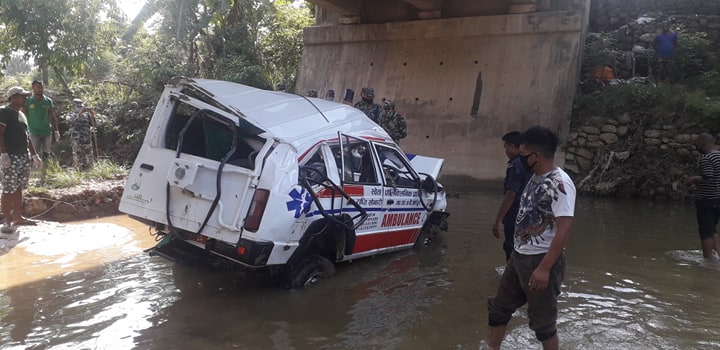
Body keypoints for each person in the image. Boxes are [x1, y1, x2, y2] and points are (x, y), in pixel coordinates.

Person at [486, 126, 576, 350]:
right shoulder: (534, 178)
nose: (519, 159)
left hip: (541, 260)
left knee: (543, 325)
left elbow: (564, 230)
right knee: (498, 310)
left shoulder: (560, 184)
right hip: (518, 257)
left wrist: (545, 268)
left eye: (523, 155)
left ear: (535, 156)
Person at [0, 87, 43, 233]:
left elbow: (27, 136)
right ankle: (6, 219)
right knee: (8, 189)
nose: (25, 99)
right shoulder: (4, 112)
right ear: (13, 97)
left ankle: (18, 217)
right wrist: (3, 153)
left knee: (19, 188)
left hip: (23, 156)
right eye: (22, 96)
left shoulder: (22, 114)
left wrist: (34, 155)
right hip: (11, 156)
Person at [492, 131, 532, 262]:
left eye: (506, 146)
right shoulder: (529, 163)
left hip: (515, 213)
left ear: (513, 146)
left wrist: (499, 220)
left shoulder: (516, 165)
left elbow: (511, 194)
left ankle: (512, 276)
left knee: (511, 246)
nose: (505, 150)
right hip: (528, 213)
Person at [684, 132, 720, 260]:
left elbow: (708, 177)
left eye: (697, 144)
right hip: (718, 199)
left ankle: (708, 261)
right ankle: (718, 257)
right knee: (713, 229)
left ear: (702, 144)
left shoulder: (707, 158)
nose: (696, 147)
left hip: (707, 200)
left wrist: (692, 179)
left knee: (706, 232)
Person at [22, 80, 59, 183]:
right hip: (33, 131)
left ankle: (44, 175)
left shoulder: (48, 101)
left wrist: (56, 130)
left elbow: (52, 116)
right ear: (33, 88)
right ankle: (34, 176)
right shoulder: (29, 101)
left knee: (46, 153)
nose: (40, 88)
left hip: (46, 131)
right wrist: (23, 129)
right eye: (37, 87)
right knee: (34, 153)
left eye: (41, 86)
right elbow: (23, 115)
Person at [67, 98, 97, 170]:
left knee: (89, 155)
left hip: (87, 138)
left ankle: (90, 169)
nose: (80, 109)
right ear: (73, 106)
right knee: (78, 155)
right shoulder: (71, 114)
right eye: (78, 107)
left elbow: (94, 125)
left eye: (81, 107)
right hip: (77, 139)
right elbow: (70, 122)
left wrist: (92, 115)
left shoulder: (87, 115)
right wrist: (79, 114)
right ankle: (78, 170)